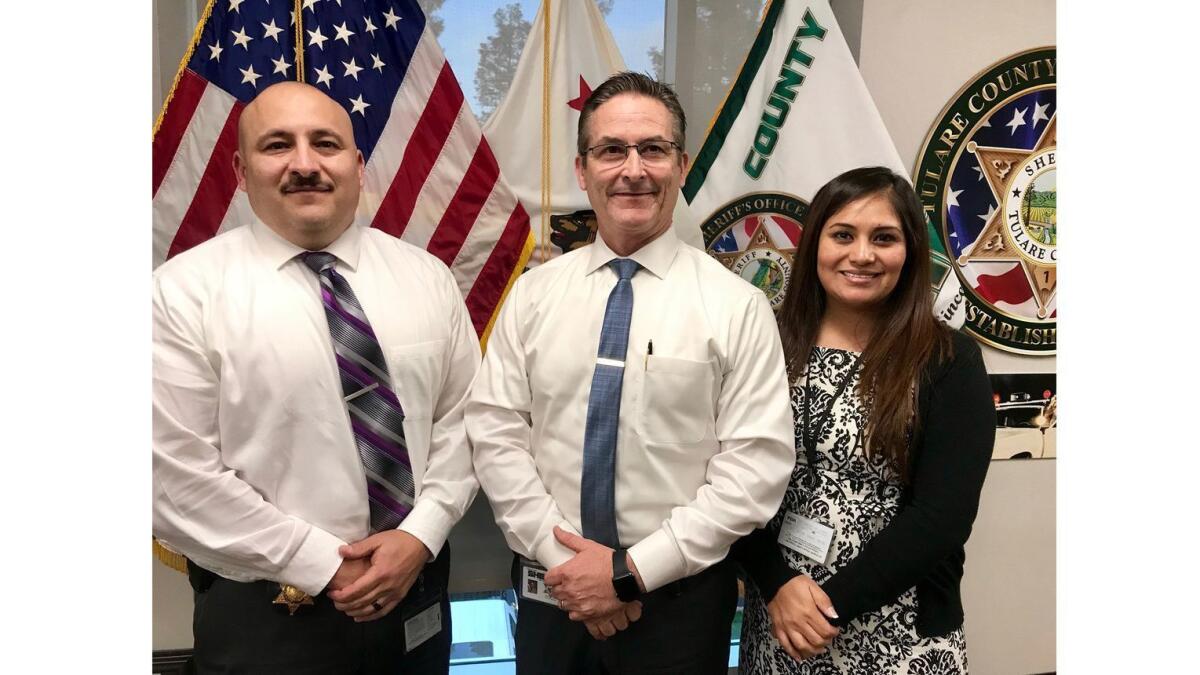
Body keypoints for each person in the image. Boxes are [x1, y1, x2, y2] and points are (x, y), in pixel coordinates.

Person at [466, 71, 795, 675]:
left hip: (678, 603)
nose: (633, 168)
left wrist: (627, 572)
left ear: (682, 164)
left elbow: (755, 467)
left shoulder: (737, 306)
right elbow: (495, 432)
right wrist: (566, 565)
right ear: (581, 168)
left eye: (654, 149)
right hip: (553, 593)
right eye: (611, 149)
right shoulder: (533, 296)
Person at [152, 82, 480, 674]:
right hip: (269, 617)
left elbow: (468, 421)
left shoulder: (427, 278)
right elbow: (171, 475)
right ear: (240, 169)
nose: (305, 164)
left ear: (356, 165)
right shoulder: (180, 295)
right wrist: (322, 562)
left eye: (325, 144)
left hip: (416, 586)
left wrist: (422, 532)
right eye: (278, 145)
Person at [732, 166, 995, 673]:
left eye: (884, 238)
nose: (862, 255)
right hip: (779, 620)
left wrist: (827, 609)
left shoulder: (947, 359)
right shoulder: (767, 345)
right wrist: (779, 586)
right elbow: (730, 476)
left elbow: (942, 518)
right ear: (814, 247)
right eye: (842, 235)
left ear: (910, 252)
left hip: (900, 635)